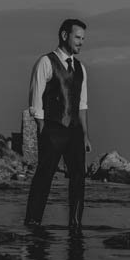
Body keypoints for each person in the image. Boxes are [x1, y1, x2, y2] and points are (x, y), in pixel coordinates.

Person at [24, 18, 92, 230]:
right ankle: (33, 222)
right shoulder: (46, 62)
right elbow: (35, 100)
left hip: (74, 132)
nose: (81, 42)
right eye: (77, 37)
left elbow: (82, 104)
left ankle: (75, 224)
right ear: (64, 35)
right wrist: (42, 127)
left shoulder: (81, 68)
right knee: (44, 176)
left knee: (79, 178)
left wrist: (85, 135)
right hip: (53, 129)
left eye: (83, 39)